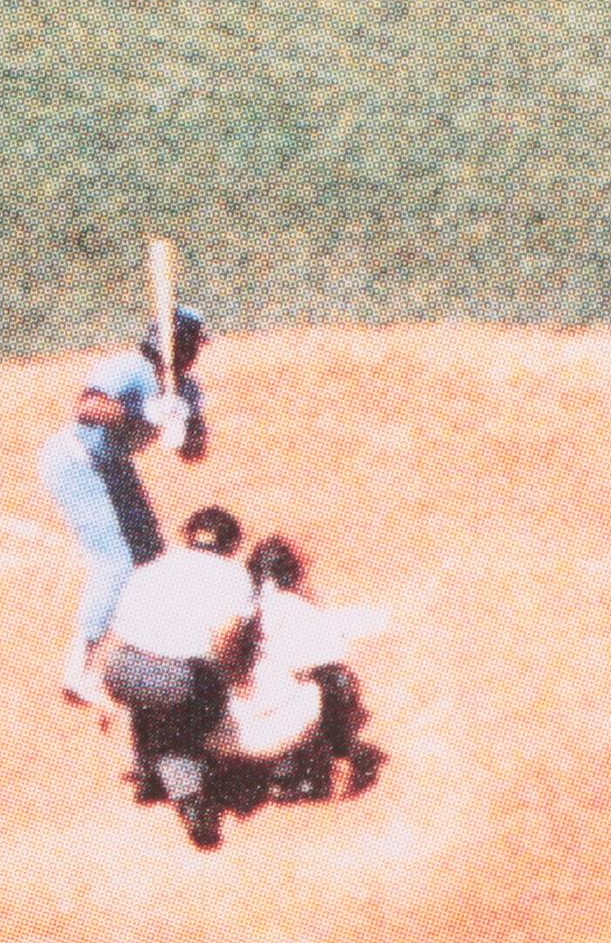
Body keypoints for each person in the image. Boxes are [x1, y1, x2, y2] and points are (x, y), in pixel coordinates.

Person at [38, 302, 208, 706]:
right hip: (77, 465)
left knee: (150, 554)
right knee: (115, 561)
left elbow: (196, 452)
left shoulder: (187, 389)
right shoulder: (128, 369)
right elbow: (87, 407)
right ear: (181, 345)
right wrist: (141, 411)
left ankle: (151, 645)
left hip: (114, 467)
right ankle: (78, 671)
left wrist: (181, 427)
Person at [101, 505, 259, 850]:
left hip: (120, 669)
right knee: (182, 724)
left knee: (152, 699)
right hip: (174, 679)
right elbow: (228, 636)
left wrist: (108, 699)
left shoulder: (150, 569)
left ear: (187, 537)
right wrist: (226, 678)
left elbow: (119, 636)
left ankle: (146, 772)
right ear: (232, 544)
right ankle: (192, 801)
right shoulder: (234, 575)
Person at [212, 534, 383, 803]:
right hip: (274, 736)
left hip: (223, 737)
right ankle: (322, 771)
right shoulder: (290, 606)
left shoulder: (225, 611)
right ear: (290, 573)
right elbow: (330, 656)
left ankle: (246, 776)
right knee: (336, 680)